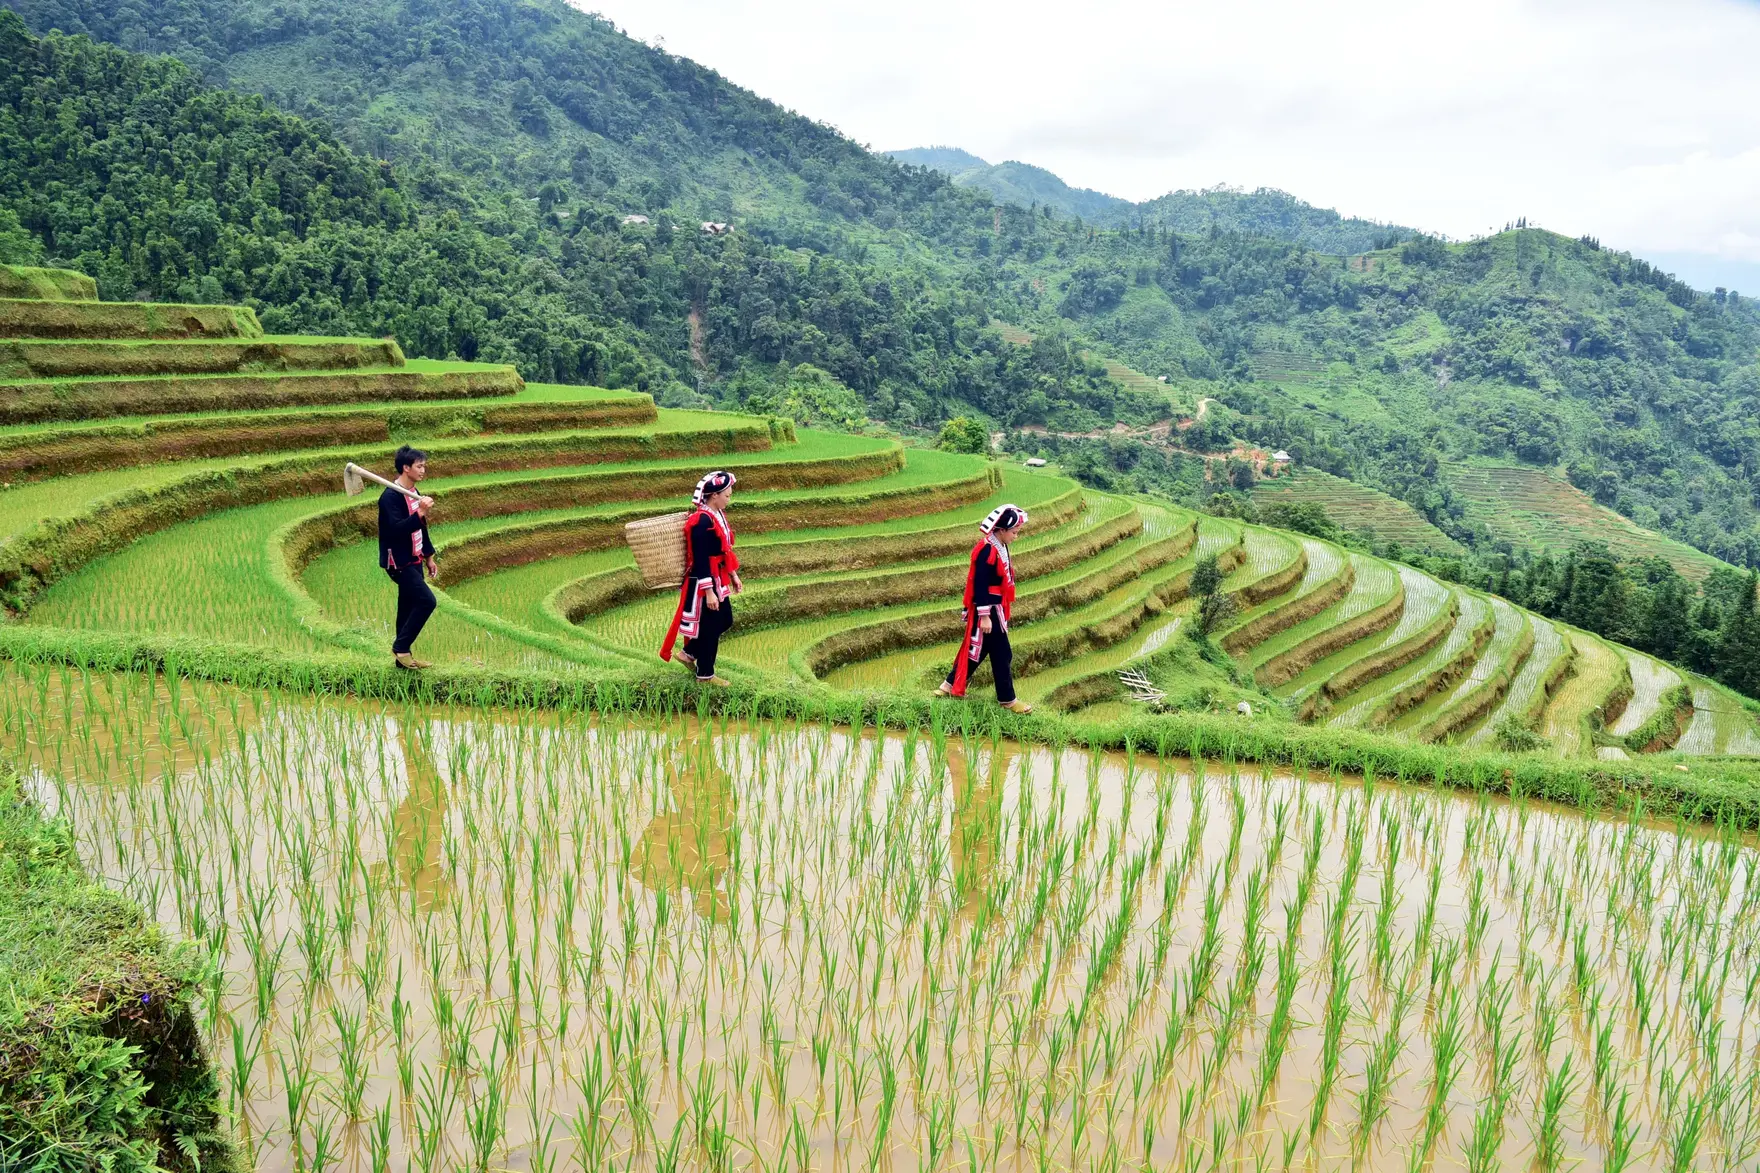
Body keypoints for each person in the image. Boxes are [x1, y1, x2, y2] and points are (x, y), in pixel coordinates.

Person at [938, 503, 1033, 713]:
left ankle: (949, 685)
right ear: (1001, 530)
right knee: (1002, 653)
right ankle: (1007, 700)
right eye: (1015, 532)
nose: (1016, 536)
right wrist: (984, 616)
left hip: (995, 606)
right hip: (988, 609)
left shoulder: (999, 545)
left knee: (978, 650)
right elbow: (979, 583)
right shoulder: (986, 550)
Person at [660, 470, 742, 686]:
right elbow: (701, 558)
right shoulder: (701, 521)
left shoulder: (717, 516)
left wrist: (733, 574)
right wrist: (708, 592)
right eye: (727, 495)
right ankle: (705, 675)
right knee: (713, 625)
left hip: (718, 576)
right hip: (704, 581)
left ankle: (689, 653)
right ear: (714, 495)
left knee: (724, 620)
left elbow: (724, 549)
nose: (729, 499)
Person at [378, 445, 437, 670]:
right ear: (406, 468)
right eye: (419, 466)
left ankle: (403, 659)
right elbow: (395, 530)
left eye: (424, 466)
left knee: (407, 605)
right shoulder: (390, 497)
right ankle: (401, 647)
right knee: (427, 601)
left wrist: (429, 557)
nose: (423, 470)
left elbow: (421, 529)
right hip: (399, 561)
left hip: (414, 558)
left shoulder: (414, 493)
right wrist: (420, 512)